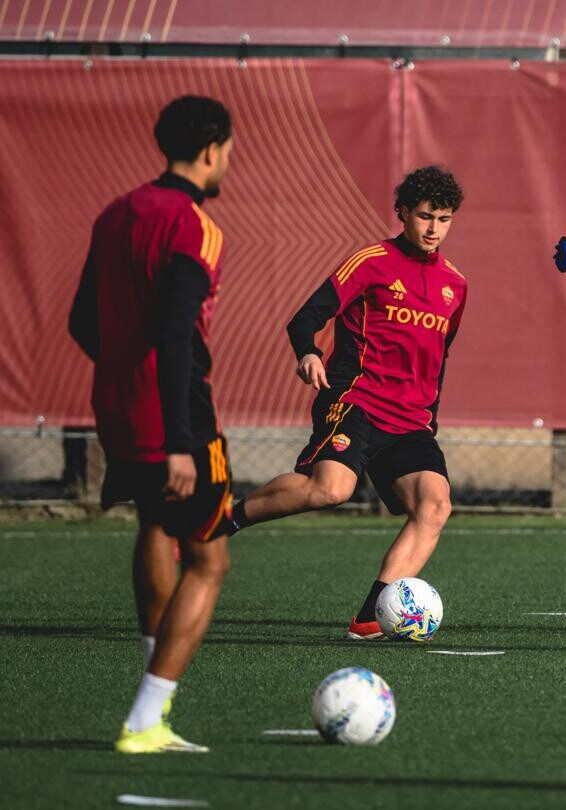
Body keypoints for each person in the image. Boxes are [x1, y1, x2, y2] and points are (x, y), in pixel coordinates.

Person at [227, 166, 467, 640]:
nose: (433, 228)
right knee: (330, 490)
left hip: (410, 421)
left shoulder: (455, 285)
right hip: (356, 399)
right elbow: (305, 317)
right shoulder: (371, 262)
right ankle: (223, 521)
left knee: (435, 505)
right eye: (424, 216)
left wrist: (429, 421)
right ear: (403, 213)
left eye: (443, 219)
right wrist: (308, 352)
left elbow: (437, 361)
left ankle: (370, 617)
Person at [69, 95, 236, 753]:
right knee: (209, 559)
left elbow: (82, 322)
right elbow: (174, 334)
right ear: (212, 150)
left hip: (116, 407)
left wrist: (124, 379)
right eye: (229, 150)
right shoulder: (195, 226)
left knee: (155, 527)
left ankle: (151, 699)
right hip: (178, 416)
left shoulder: (115, 213)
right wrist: (180, 441)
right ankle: (146, 717)